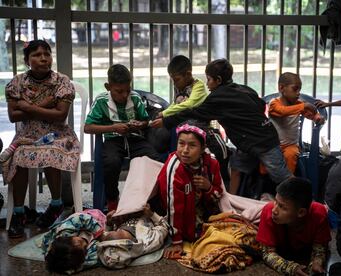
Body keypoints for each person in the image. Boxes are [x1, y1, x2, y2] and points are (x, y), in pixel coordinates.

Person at [151, 59, 291, 193]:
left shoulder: (218, 97)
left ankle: (303, 202)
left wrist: (166, 121)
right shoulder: (243, 89)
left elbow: (194, 113)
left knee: (282, 177)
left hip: (263, 142)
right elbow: (260, 105)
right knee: (236, 168)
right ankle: (231, 199)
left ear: (218, 80)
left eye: (209, 79)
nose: (207, 84)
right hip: (249, 141)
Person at [4, 39, 81, 238]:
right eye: (37, 55)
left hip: (58, 134)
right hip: (27, 136)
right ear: (27, 60)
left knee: (50, 151)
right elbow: (13, 116)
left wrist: (28, 107)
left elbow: (60, 115)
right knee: (19, 155)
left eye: (47, 54)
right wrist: (47, 105)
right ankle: (19, 213)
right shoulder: (17, 82)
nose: (43, 59)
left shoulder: (61, 81)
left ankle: (56, 204)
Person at [84, 64, 162, 211]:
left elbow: (146, 121)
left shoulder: (135, 98)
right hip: (113, 140)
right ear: (108, 87)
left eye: (127, 90)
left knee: (154, 159)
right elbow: (87, 128)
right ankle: (113, 200)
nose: (124, 95)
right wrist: (113, 128)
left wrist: (140, 125)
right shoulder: (101, 101)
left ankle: (151, 200)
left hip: (135, 139)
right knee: (111, 162)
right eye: (119, 91)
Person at [157, 120, 223, 259]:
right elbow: (173, 208)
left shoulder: (211, 164)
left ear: (203, 147)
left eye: (192, 145)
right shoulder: (174, 169)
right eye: (181, 143)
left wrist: (208, 188)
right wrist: (176, 241)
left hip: (205, 213)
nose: (185, 150)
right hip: (180, 218)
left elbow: (219, 195)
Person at [256, 177, 331, 276]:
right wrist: (290, 268)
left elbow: (320, 249)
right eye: (276, 201)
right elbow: (267, 253)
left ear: (301, 212)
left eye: (282, 207)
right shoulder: (268, 211)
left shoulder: (318, 214)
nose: (274, 210)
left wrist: (317, 263)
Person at [268, 72, 325, 173]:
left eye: (299, 90)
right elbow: (282, 111)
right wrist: (304, 106)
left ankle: (288, 181)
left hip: (291, 145)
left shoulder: (298, 104)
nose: (298, 93)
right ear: (281, 88)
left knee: (290, 155)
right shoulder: (274, 104)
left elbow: (310, 114)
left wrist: (317, 118)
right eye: (295, 89)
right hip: (273, 145)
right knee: (266, 164)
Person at [97, 203, 169, 269]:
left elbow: (105, 234)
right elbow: (165, 227)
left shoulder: (118, 229)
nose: (116, 232)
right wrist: (151, 214)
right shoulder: (147, 240)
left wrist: (109, 223)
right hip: (147, 211)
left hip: (134, 208)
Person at [42, 209, 106, 274]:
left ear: (66, 239)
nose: (77, 243)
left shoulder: (65, 231)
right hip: (101, 227)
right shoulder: (89, 255)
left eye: (72, 243)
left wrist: (99, 232)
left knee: (96, 214)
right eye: (78, 248)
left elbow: (80, 217)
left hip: (90, 217)